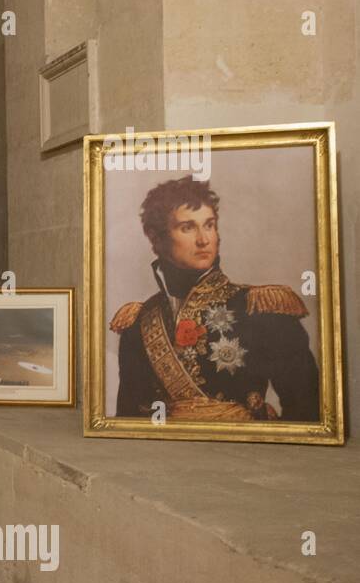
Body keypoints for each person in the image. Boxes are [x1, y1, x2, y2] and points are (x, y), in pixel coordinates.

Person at [111, 177, 319, 421]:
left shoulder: (262, 310)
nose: (204, 239)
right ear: (155, 238)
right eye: (187, 227)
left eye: (209, 225)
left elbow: (307, 413)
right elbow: (128, 420)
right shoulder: (138, 322)